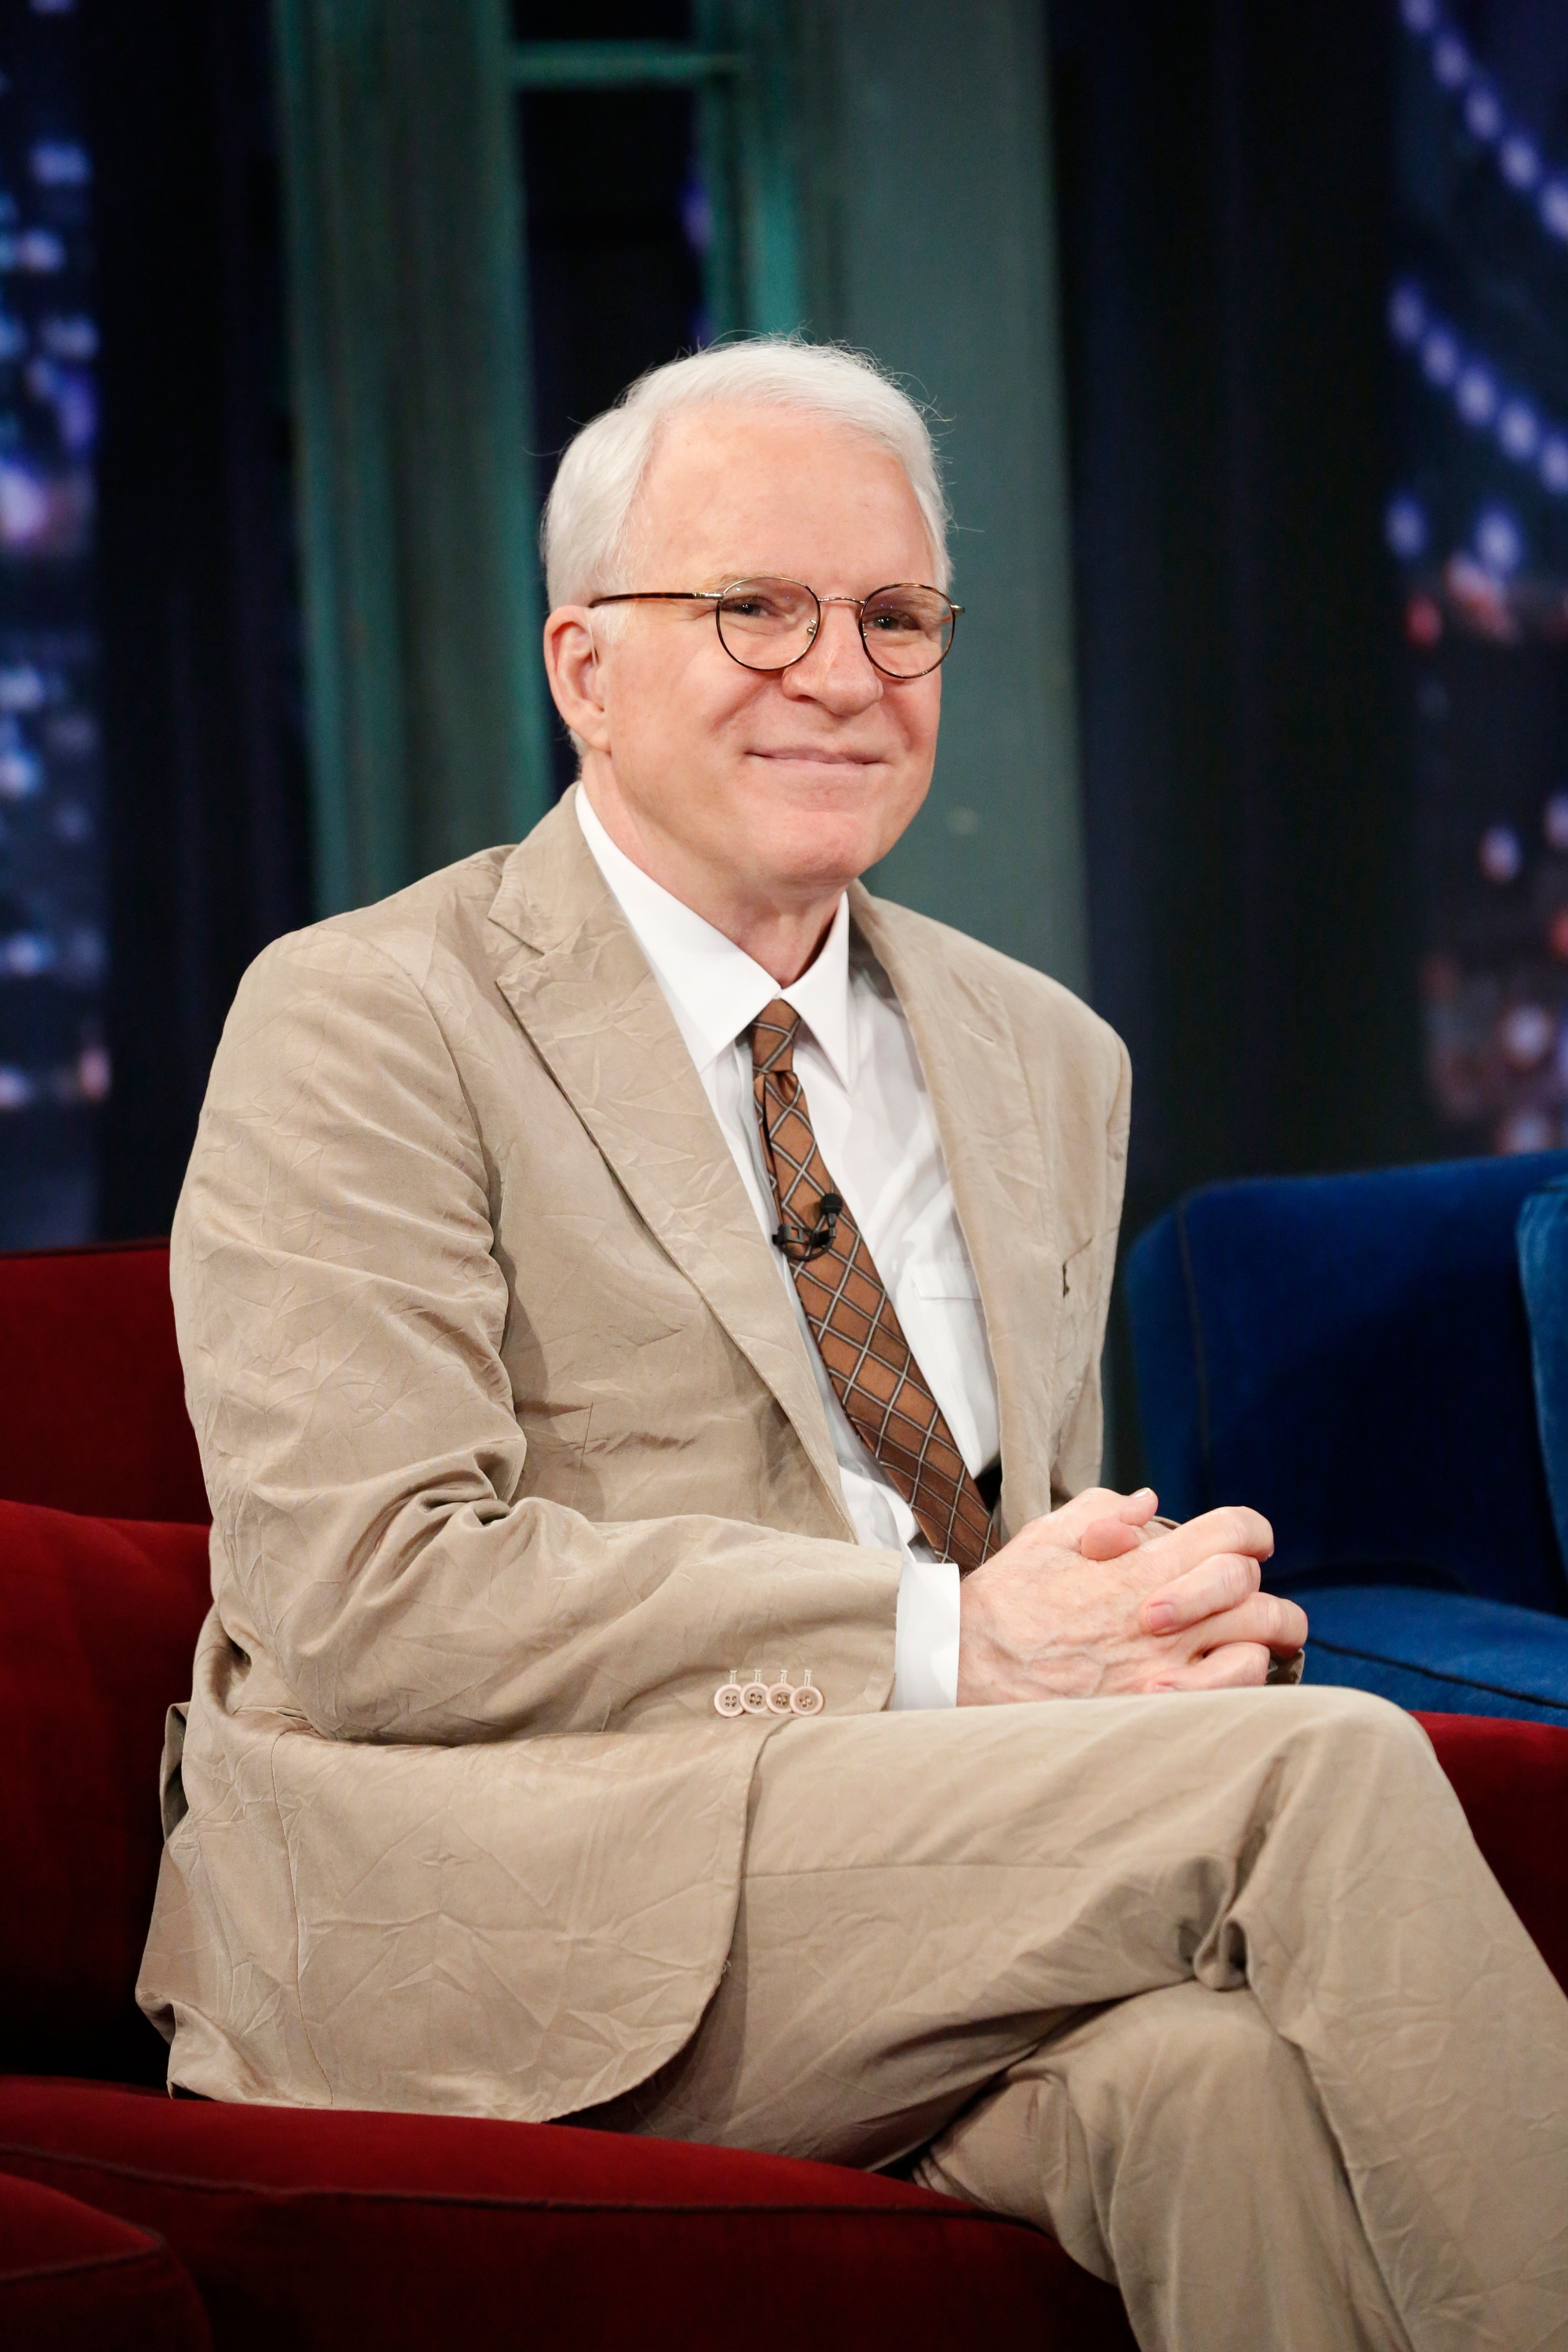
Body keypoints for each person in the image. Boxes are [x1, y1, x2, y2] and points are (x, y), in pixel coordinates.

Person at [139, 339, 1568, 2352]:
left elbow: (1014, 1554)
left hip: (906, 1880)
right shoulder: (367, 1016)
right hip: (509, 1908)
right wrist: (947, 1645)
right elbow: (365, 1597)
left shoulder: (1043, 1051)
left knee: (1217, 2096)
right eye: (754, 608)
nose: (841, 672)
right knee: (1309, 1782)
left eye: (897, 617)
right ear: (585, 669)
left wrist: (1119, 1629)